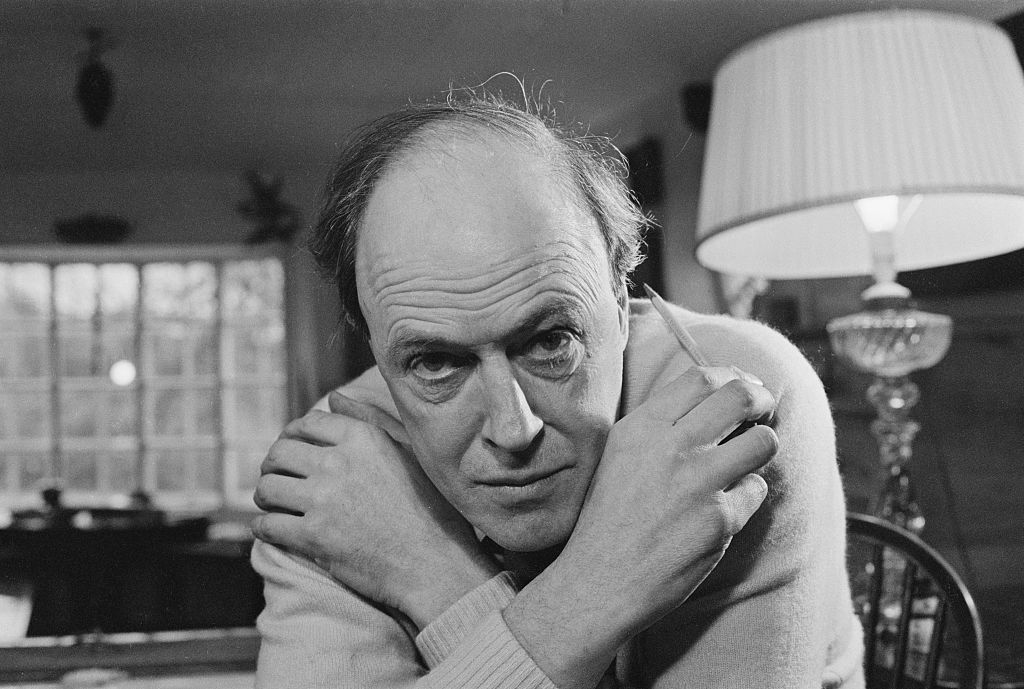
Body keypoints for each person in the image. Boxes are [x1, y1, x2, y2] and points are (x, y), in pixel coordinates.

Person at [249, 93, 864, 689]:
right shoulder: (339, 468)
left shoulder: (733, 398)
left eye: (550, 342)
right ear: (378, 357)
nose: (513, 430)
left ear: (620, 306)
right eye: (435, 362)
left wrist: (435, 574)